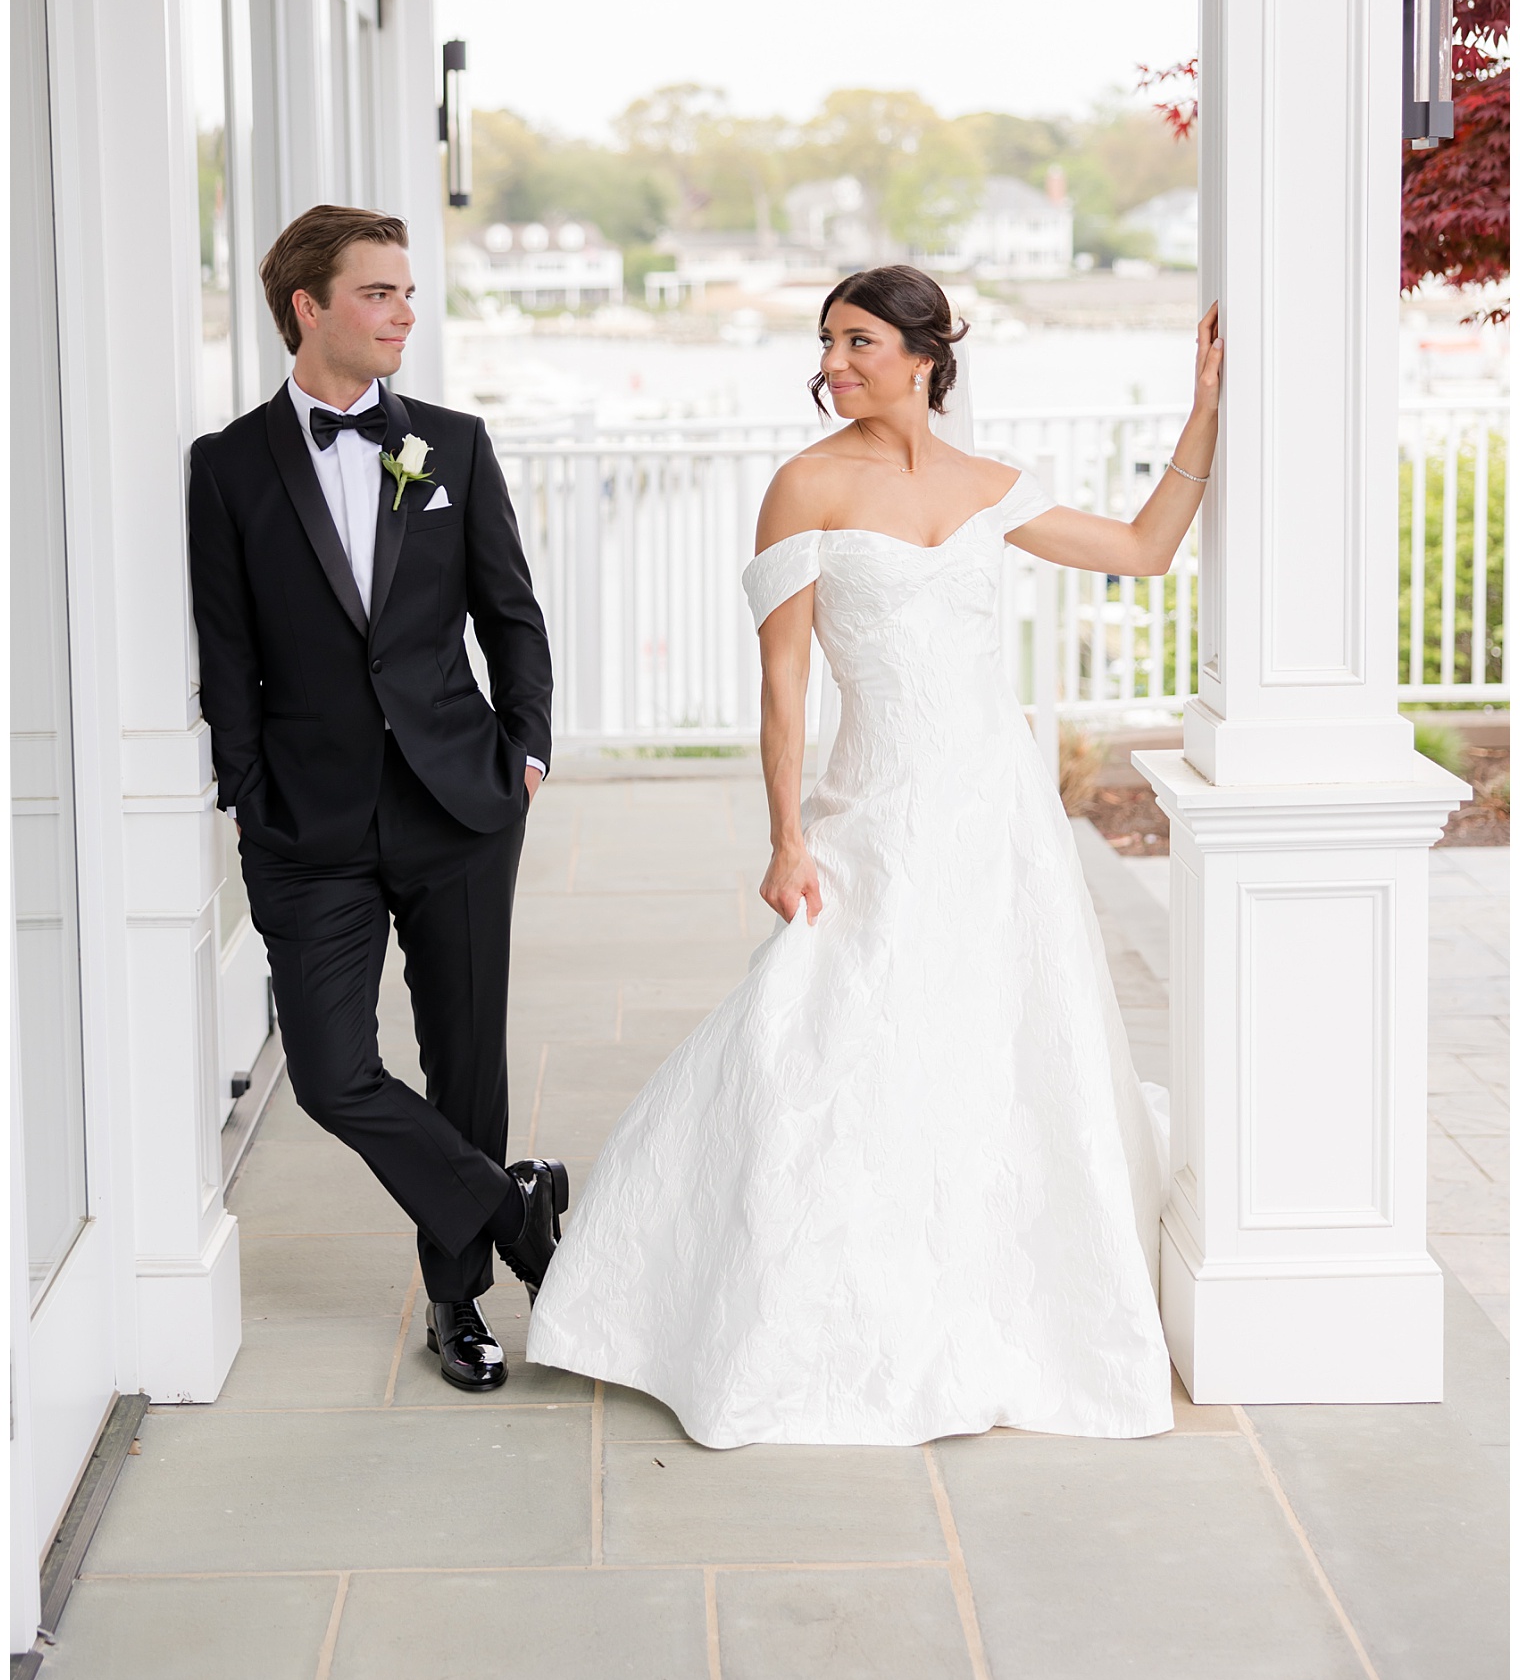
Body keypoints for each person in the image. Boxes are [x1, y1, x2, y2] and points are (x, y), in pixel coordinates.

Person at [528, 264, 1222, 1446]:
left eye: (857, 341)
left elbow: (1144, 549)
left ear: (923, 355)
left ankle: (986, 1291)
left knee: (995, 1033)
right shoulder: (804, 484)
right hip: (878, 805)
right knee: (819, 1030)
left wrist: (1202, 409)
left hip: (996, 808)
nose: (832, 363)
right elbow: (783, 681)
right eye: (827, 341)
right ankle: (758, 1294)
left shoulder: (990, 484)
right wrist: (785, 834)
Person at [188, 204, 564, 1396]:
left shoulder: (452, 443)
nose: (404, 311)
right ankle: (511, 1208)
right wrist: (248, 793)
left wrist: (525, 752)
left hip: (460, 803)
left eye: (406, 291)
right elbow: (226, 651)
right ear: (309, 307)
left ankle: (457, 1301)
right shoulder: (226, 465)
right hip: (306, 825)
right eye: (378, 292)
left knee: (465, 1062)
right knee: (331, 1068)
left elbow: (510, 613)